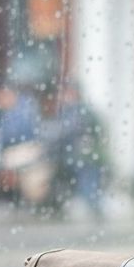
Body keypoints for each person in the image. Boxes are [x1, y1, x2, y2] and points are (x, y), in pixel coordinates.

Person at [47, 81, 108, 218]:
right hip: (70, 155)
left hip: (86, 156)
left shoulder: (82, 111)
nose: (63, 96)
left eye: (66, 93)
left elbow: (68, 130)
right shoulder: (67, 111)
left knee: (88, 180)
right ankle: (57, 206)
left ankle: (95, 209)